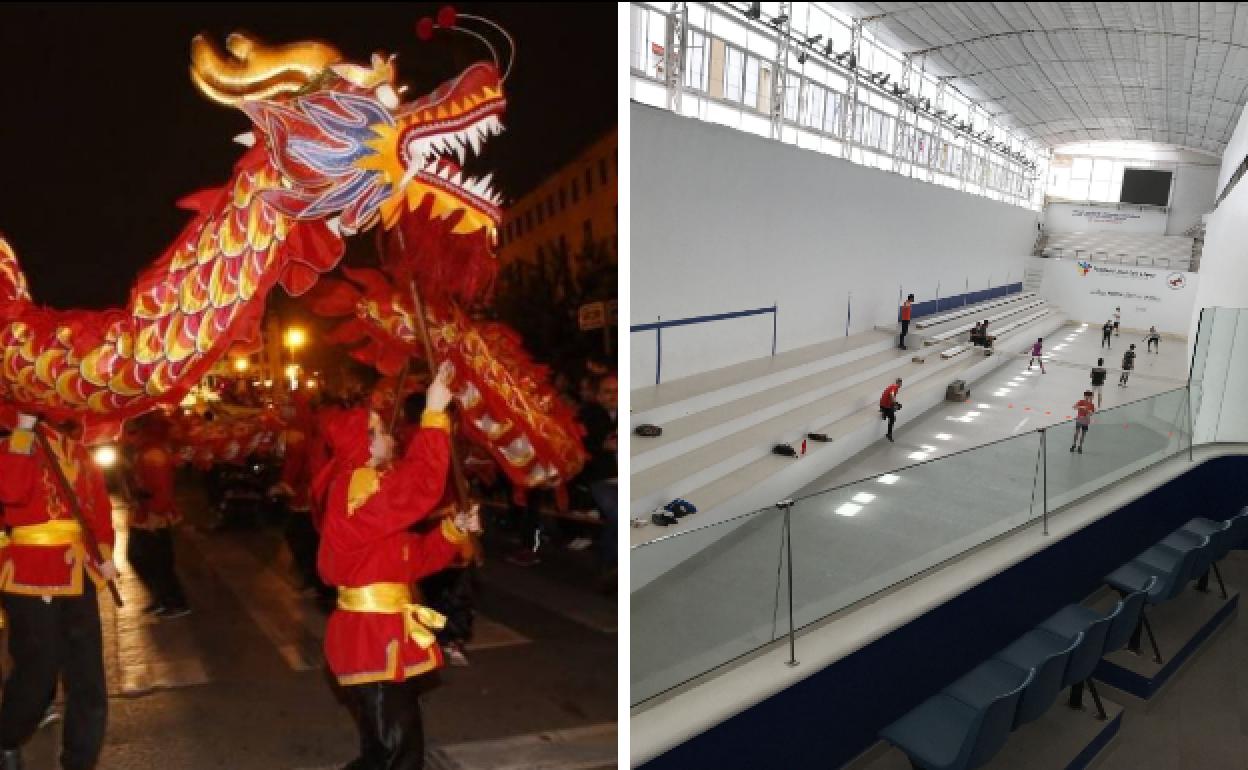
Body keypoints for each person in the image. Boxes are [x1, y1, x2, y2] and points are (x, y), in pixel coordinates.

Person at [316, 361, 478, 769]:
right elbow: (419, 486)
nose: (389, 436)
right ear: (365, 443)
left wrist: (452, 531)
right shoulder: (357, 484)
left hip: (382, 635)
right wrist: (435, 413)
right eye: (380, 431)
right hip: (371, 638)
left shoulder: (366, 488)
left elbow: (410, 560)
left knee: (388, 747)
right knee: (397, 752)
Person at [0, 413, 118, 770]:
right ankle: (5, 736)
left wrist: (104, 552)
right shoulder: (11, 446)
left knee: (89, 679)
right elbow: (11, 493)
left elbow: (99, 507)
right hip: (29, 574)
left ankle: (79, 761)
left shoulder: (80, 452)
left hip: (77, 571)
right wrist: (21, 433)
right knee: (38, 673)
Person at [123, 411, 190, 619]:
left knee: (158, 561)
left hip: (154, 514)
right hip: (143, 511)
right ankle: (161, 597)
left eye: (131, 431)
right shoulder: (143, 451)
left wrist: (155, 513)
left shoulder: (154, 453)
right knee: (140, 557)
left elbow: (163, 488)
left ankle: (175, 601)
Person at [879, 378, 902, 442]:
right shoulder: (895, 387)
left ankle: (885, 413)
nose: (900, 385)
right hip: (885, 406)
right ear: (899, 383)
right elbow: (891, 395)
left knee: (898, 406)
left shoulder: (892, 386)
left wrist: (895, 404)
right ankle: (889, 434)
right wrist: (895, 404)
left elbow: (891, 397)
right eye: (900, 384)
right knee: (892, 418)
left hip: (883, 405)